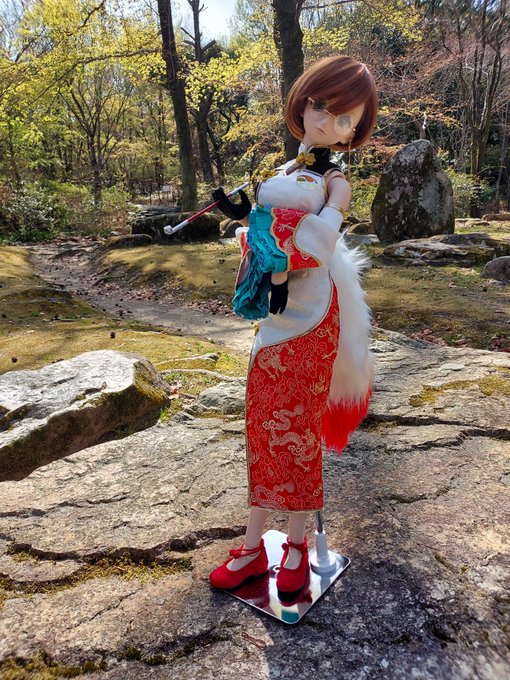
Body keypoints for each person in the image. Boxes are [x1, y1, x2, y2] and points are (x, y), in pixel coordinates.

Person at [209, 55, 378, 596]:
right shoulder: (280, 171)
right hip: (274, 316)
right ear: (302, 104)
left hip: (312, 316)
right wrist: (242, 216)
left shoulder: (336, 183)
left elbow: (319, 242)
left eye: (344, 118)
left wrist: (267, 229)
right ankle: (254, 544)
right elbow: (265, 234)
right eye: (321, 106)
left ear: (353, 132)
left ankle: (298, 545)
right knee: (262, 425)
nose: (326, 122)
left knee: (298, 429)